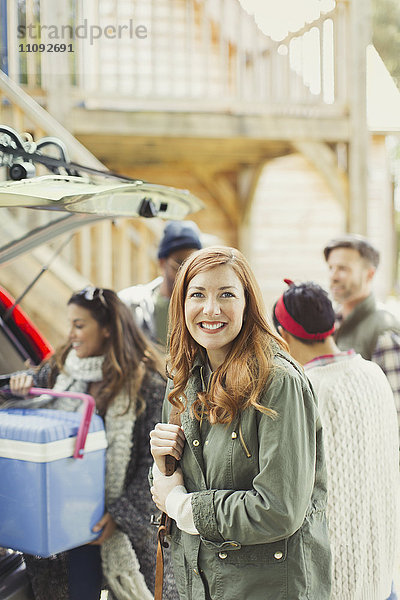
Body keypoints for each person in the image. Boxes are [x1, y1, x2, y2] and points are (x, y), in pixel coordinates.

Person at [149, 246, 331, 600]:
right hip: (198, 586)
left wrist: (183, 507)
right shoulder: (183, 375)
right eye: (197, 294)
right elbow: (173, 485)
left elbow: (279, 510)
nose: (211, 309)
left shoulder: (278, 382)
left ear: (247, 303)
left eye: (226, 294)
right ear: (180, 304)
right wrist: (161, 467)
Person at [9, 286, 177, 600]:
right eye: (69, 323)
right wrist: (22, 391)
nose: (70, 333)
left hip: (116, 527)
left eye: (79, 325)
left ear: (107, 329)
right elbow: (33, 429)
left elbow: (153, 466)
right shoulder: (58, 371)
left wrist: (119, 515)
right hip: (63, 523)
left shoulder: (148, 384)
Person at [273, 281, 399, 600]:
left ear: (282, 336)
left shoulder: (304, 392)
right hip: (384, 575)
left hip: (333, 582)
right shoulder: (375, 374)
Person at [324, 234, 400, 430]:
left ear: (369, 274)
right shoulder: (328, 322)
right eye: (331, 268)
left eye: (343, 268)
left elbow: (396, 410)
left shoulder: (384, 329)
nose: (333, 275)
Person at [119, 220, 202, 346]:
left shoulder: (203, 308)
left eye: (192, 265)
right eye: (180, 265)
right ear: (162, 263)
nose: (186, 274)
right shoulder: (132, 303)